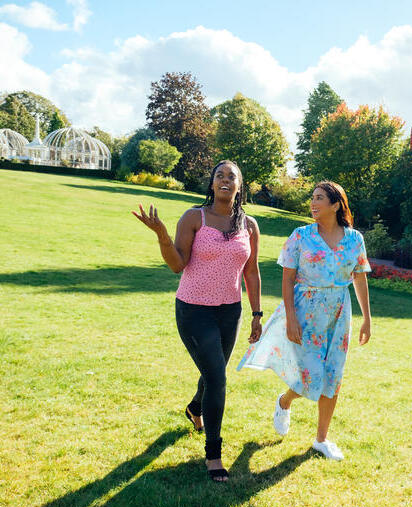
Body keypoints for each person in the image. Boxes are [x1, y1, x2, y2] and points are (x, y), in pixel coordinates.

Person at [132, 160, 262, 482]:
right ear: (212, 183)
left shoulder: (250, 226)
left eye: (232, 176)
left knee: (212, 371)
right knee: (217, 377)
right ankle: (214, 454)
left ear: (239, 186)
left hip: (230, 311)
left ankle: (194, 408)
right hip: (193, 310)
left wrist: (257, 315)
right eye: (219, 175)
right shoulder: (195, 218)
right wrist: (162, 235)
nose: (225, 180)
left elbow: (251, 271)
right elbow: (177, 264)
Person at [237, 181, 371, 461]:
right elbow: (287, 279)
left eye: (319, 198)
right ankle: (284, 401)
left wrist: (366, 318)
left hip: (339, 313)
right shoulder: (300, 236)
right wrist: (291, 319)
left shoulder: (354, 239)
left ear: (335, 205)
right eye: (312, 198)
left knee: (333, 377)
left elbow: (359, 276)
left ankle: (321, 439)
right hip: (304, 310)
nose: (313, 203)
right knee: (312, 377)